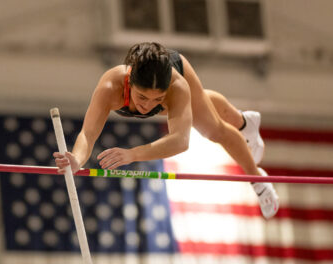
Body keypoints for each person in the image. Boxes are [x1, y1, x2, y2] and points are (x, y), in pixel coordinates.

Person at [54, 42, 279, 218]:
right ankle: (244, 121)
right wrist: (78, 159)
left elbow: (181, 140)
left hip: (177, 69)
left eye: (156, 99)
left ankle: (257, 178)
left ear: (166, 91)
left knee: (212, 130)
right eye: (142, 96)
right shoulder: (110, 87)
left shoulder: (178, 86)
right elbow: (88, 133)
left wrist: (133, 154)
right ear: (129, 81)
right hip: (164, 93)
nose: (147, 105)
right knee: (200, 104)